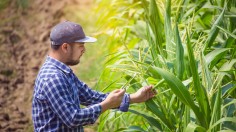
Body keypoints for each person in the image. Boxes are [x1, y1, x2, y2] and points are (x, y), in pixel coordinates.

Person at [32, 21, 156, 131]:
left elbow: (90, 97)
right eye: (80, 46)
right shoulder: (53, 78)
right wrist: (106, 105)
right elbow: (73, 118)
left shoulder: (63, 72)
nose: (84, 50)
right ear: (65, 47)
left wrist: (134, 97)